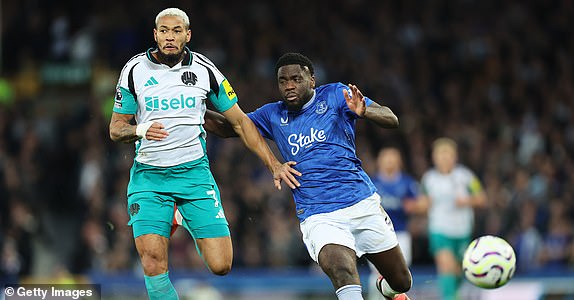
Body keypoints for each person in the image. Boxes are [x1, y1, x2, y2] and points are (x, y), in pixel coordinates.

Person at [109, 8, 300, 300]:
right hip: (149, 179)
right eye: (164, 31)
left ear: (188, 35)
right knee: (152, 263)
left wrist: (273, 163)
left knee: (221, 265)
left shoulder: (205, 70)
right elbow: (116, 128)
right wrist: (140, 129)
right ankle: (166, 213)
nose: (169, 37)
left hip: (194, 176)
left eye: (176, 31)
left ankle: (177, 214)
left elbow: (239, 121)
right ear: (155, 34)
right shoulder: (135, 69)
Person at [202, 53, 412, 300]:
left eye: (295, 79)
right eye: (282, 81)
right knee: (341, 268)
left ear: (311, 80)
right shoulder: (272, 115)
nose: (289, 86)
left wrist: (366, 112)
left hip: (361, 202)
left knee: (401, 281)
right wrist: (194, 110)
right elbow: (230, 127)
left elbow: (391, 118)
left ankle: (387, 290)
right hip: (318, 214)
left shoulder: (336, 95)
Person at [415, 137, 487, 300]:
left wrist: (468, 200)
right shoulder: (429, 179)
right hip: (439, 230)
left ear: (455, 157)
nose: (444, 158)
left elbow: (482, 198)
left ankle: (455, 295)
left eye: (448, 154)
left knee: (457, 271)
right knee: (446, 266)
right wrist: (421, 205)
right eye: (440, 154)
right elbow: (422, 203)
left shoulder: (466, 176)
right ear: (434, 157)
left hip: (462, 231)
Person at [367, 147, 420, 300]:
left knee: (400, 275)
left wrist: (413, 206)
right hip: (377, 233)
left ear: (399, 162)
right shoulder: (372, 182)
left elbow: (422, 203)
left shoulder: (407, 182)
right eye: (386, 158)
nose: (389, 162)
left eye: (393, 158)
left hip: (401, 233)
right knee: (379, 274)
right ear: (379, 162)